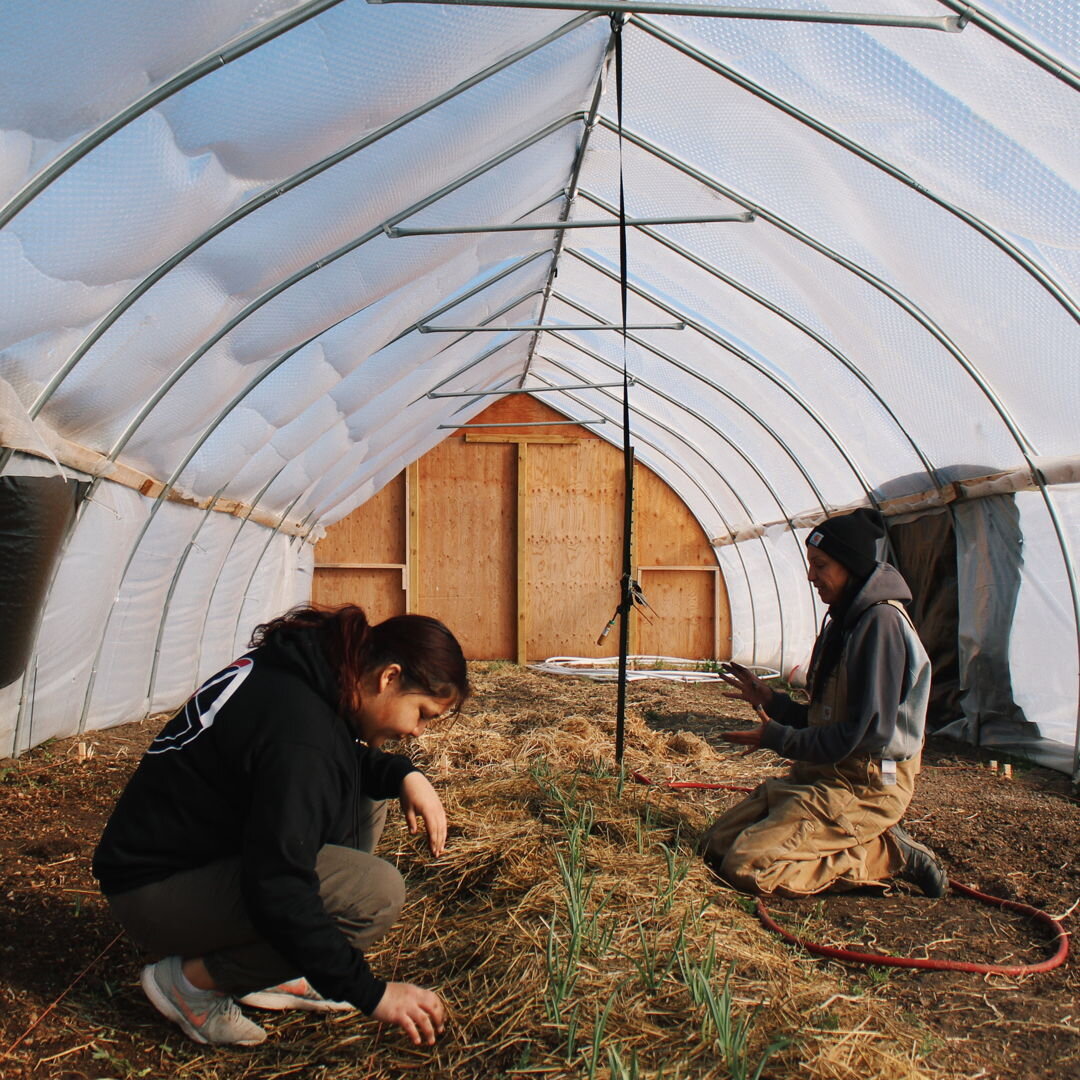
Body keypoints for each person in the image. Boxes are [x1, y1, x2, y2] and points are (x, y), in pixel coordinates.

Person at [93, 604, 469, 1048]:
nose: (419, 731)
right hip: (155, 893)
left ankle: (282, 971)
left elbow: (339, 756)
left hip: (186, 856)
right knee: (374, 895)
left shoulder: (306, 668)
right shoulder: (301, 734)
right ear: (388, 677)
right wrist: (370, 993)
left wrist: (404, 774)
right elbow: (279, 885)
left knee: (370, 795)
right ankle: (190, 984)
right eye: (422, 713)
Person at [700, 508, 947, 899]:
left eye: (821, 565)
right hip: (825, 772)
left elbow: (866, 733)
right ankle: (851, 840)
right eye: (811, 564)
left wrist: (779, 737)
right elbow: (829, 718)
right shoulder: (847, 619)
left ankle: (885, 854)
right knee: (715, 845)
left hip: (865, 782)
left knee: (748, 866)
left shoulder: (880, 625)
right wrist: (773, 702)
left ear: (850, 565)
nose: (811, 576)